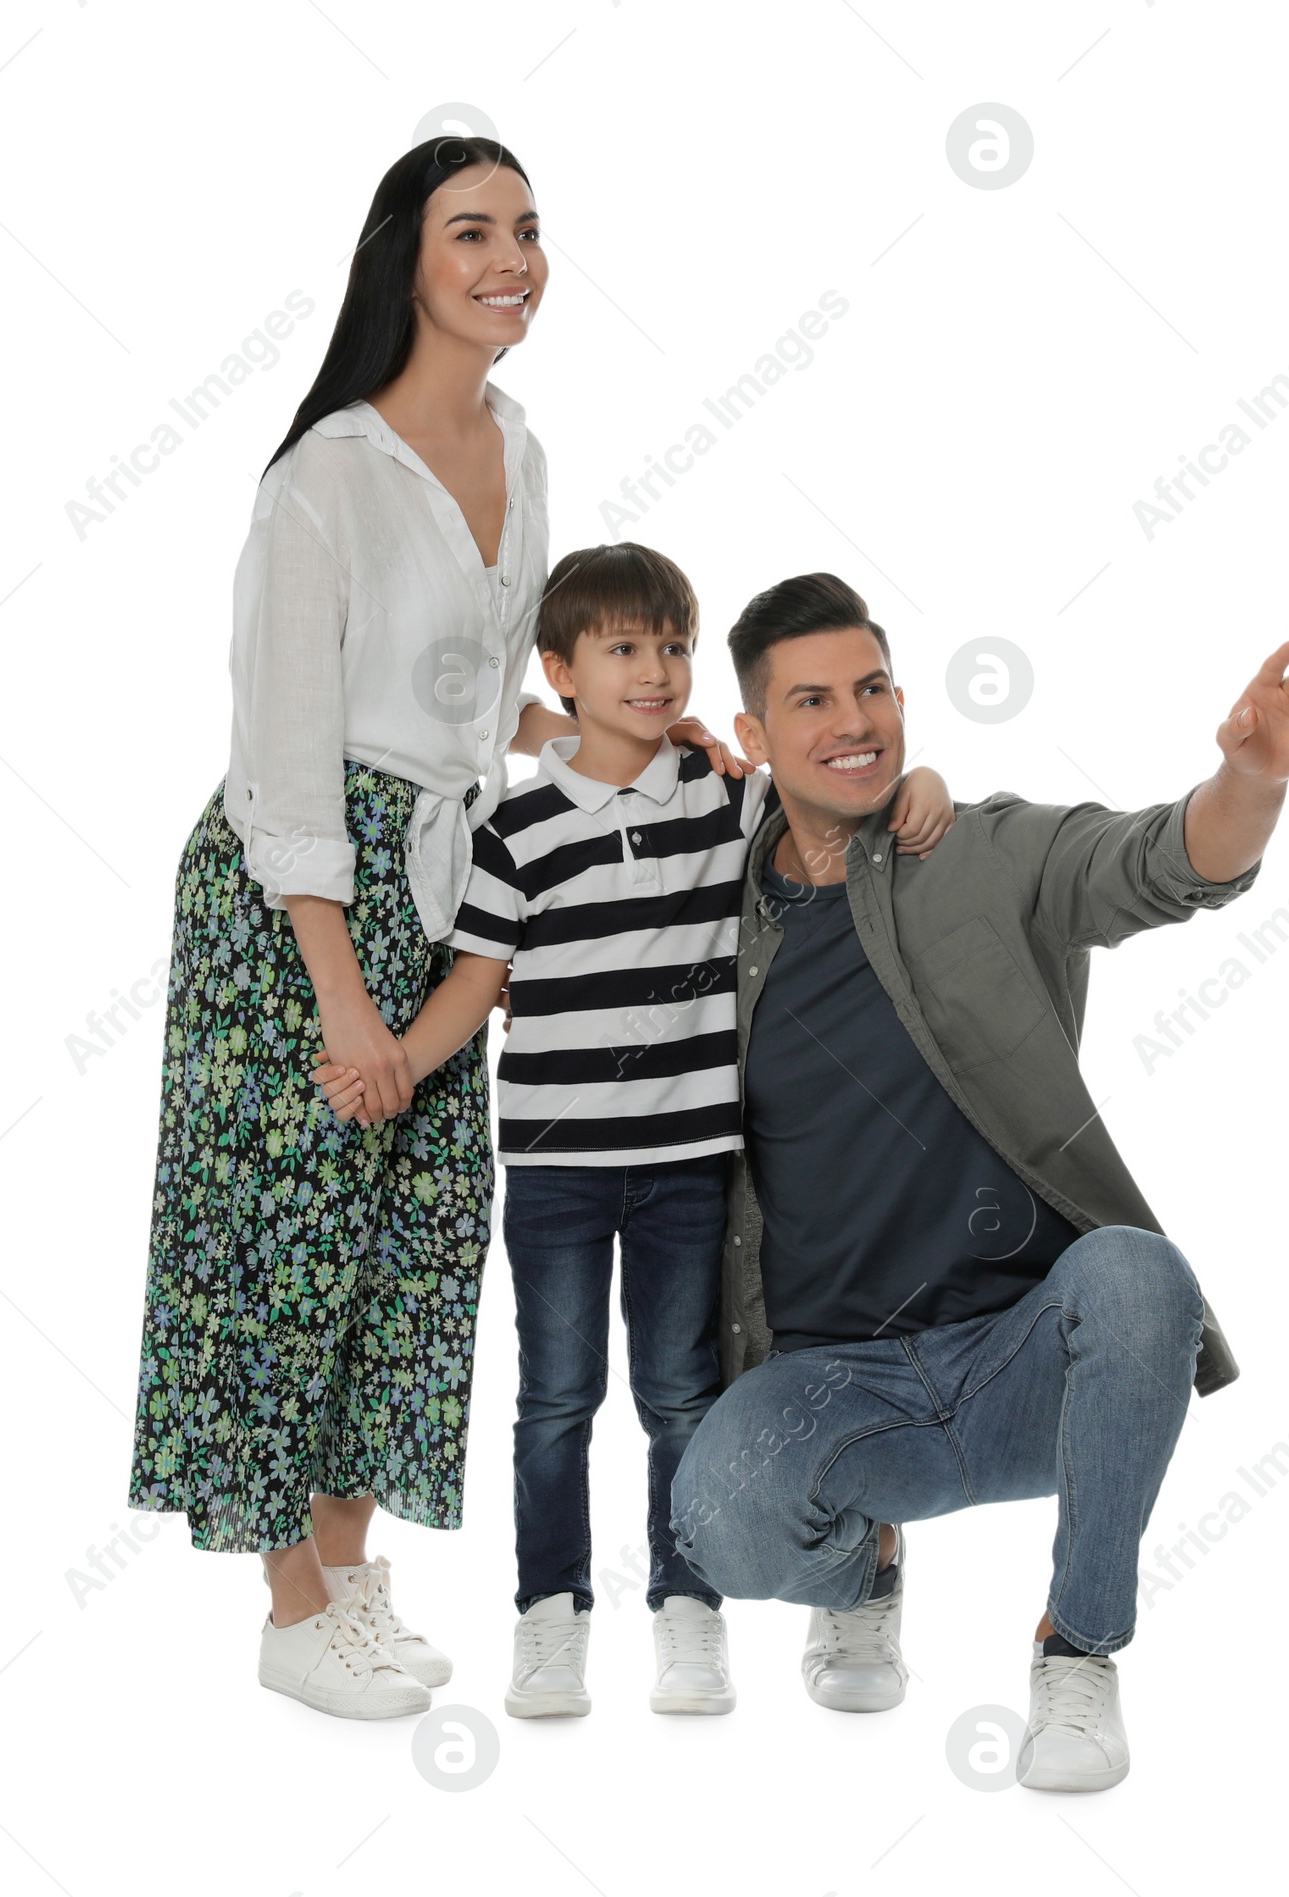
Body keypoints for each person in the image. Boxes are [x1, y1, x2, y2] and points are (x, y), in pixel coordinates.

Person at [127, 139, 736, 1723]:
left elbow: (476, 696)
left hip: (451, 884)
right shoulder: (324, 475)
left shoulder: (520, 448)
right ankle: (283, 1604)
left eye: (529, 229)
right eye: (474, 231)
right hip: (294, 903)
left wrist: (640, 739)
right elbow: (289, 741)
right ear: (407, 256)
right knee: (282, 1251)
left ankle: (347, 1571)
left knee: (415, 1246)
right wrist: (337, 990)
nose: (512, 257)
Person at [670, 572, 1289, 1789]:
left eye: (871, 687)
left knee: (1139, 1274)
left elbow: (1159, 861)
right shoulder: (703, 909)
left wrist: (1253, 778)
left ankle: (1076, 1653)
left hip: (1030, 1360)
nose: (854, 720)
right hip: (837, 1382)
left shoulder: (980, 850)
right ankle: (861, 1565)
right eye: (810, 700)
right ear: (755, 739)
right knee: (714, 1520)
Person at [311, 544, 956, 1717]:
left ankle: (688, 1607)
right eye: (621, 650)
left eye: (671, 647)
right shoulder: (513, 829)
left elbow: (834, 801)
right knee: (555, 1399)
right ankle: (549, 1619)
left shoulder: (722, 796)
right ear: (558, 670)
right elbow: (475, 980)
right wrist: (396, 1059)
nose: (654, 672)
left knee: (679, 1397)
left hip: (687, 1166)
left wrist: (925, 786)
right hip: (558, 1167)